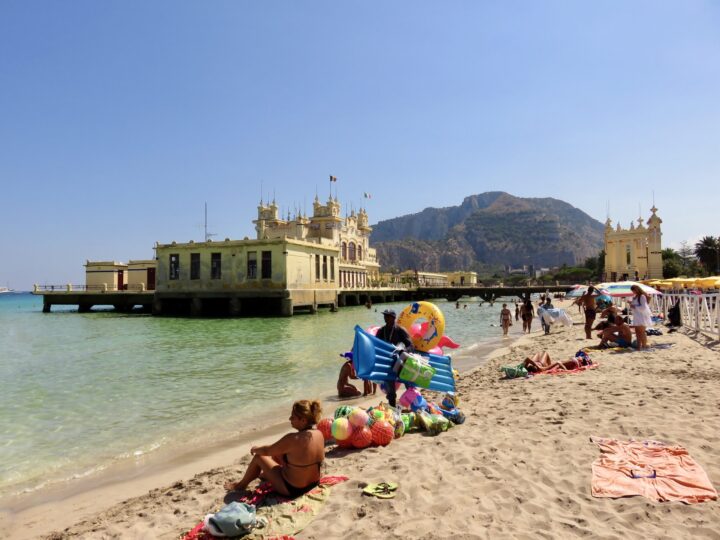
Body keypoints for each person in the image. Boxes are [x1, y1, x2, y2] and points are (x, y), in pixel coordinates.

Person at [224, 400, 324, 497]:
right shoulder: (319, 434)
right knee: (279, 453)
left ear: (303, 420)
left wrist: (255, 449)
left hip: (293, 489)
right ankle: (265, 474)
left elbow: (267, 451)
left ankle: (240, 486)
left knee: (259, 457)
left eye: (293, 417)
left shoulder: (293, 438)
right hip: (313, 483)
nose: (289, 419)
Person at [375, 309, 413, 407]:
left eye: (388, 316)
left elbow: (411, 346)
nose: (385, 318)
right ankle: (393, 409)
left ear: (393, 318)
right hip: (387, 364)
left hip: (400, 362)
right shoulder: (381, 331)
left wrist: (404, 351)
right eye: (384, 316)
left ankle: (414, 406)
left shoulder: (400, 330)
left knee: (409, 386)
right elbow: (375, 346)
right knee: (390, 392)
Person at [629, 284, 653, 349]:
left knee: (641, 332)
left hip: (642, 316)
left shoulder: (642, 296)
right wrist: (631, 304)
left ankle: (644, 346)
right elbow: (636, 306)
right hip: (637, 315)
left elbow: (643, 307)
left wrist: (634, 306)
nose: (633, 292)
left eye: (633, 291)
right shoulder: (636, 297)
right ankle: (639, 346)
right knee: (637, 332)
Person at [523, 351, 593, 373]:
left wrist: (534, 363)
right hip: (542, 364)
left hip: (537, 363)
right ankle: (550, 364)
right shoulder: (541, 369)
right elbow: (558, 363)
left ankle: (550, 364)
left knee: (539, 353)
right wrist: (565, 370)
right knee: (544, 353)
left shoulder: (528, 367)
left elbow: (527, 359)